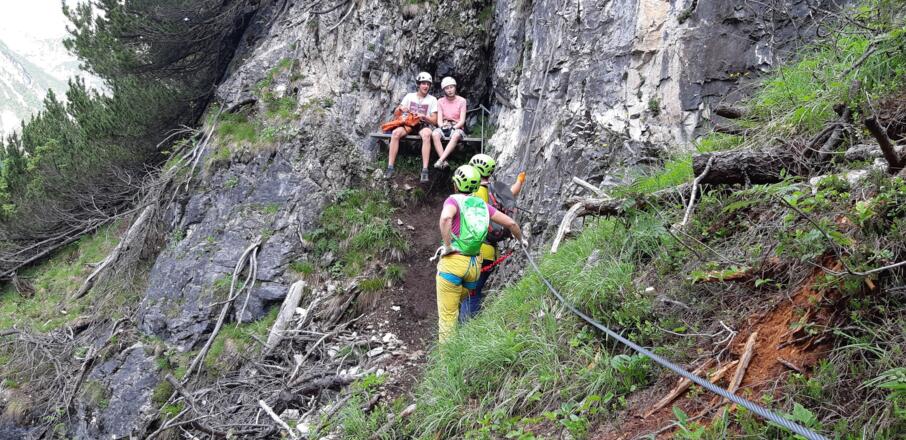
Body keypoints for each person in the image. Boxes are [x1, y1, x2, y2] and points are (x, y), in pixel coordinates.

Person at [435, 165, 525, 342]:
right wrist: (521, 240)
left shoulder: (453, 200)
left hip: (453, 263)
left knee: (447, 317)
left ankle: (446, 365)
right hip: (474, 266)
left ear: (456, 184)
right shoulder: (483, 205)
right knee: (462, 301)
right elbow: (511, 224)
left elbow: (446, 218)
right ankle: (465, 339)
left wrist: (447, 246)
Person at [459, 154, 527, 322]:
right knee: (474, 292)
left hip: (474, 251)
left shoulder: (473, 192)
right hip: (490, 252)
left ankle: (463, 334)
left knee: (469, 294)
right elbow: (510, 194)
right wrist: (519, 181)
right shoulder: (495, 189)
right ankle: (465, 330)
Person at [386, 72, 438, 182]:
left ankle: (425, 169)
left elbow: (434, 121)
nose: (426, 86)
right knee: (395, 133)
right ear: (418, 84)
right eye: (423, 83)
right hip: (409, 123)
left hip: (423, 124)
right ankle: (390, 167)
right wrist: (401, 109)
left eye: (428, 84)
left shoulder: (432, 100)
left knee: (427, 134)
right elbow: (396, 113)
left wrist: (424, 116)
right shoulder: (410, 96)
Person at [430, 77, 467, 170]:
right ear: (444, 90)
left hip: (457, 126)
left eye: (451, 87)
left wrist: (454, 127)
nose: (450, 90)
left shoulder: (462, 101)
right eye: (447, 88)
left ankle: (440, 160)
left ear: (455, 87)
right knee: (435, 134)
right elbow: (439, 120)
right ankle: (444, 161)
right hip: (445, 125)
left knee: (455, 135)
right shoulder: (440, 101)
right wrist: (442, 126)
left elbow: (462, 120)